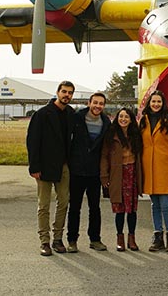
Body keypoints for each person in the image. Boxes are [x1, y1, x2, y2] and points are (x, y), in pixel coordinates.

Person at [26, 80, 75, 257]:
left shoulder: (70, 113)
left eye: (70, 93)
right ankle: (44, 241)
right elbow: (32, 141)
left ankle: (58, 238)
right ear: (57, 92)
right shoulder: (42, 114)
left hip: (63, 166)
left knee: (63, 202)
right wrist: (34, 166)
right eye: (64, 92)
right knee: (44, 205)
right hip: (44, 167)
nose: (66, 95)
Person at [139, 90, 168, 252]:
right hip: (148, 168)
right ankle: (158, 237)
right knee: (154, 204)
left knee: (165, 204)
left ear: (163, 103)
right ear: (149, 103)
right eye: (153, 101)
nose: (156, 104)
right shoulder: (143, 120)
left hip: (165, 167)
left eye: (159, 101)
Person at [66, 92, 110, 253]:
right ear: (89, 103)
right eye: (95, 103)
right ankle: (72, 240)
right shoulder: (76, 118)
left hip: (94, 172)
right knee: (74, 207)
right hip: (77, 170)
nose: (98, 106)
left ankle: (95, 239)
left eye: (101, 104)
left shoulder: (106, 123)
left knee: (95, 208)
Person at [100, 108, 143, 252]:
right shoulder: (111, 135)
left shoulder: (135, 135)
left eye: (126, 117)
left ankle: (132, 238)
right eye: (121, 116)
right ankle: (120, 238)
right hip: (117, 174)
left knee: (132, 209)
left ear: (131, 120)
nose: (123, 119)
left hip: (132, 173)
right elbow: (104, 157)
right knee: (120, 209)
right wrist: (104, 176)